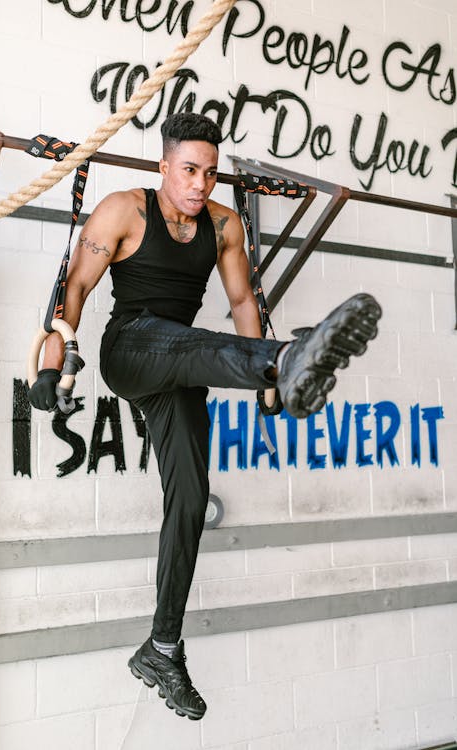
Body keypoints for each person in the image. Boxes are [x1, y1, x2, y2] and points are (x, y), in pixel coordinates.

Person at [28, 112, 381, 721]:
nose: (200, 184)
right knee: (187, 342)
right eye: (189, 170)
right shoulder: (123, 210)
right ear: (164, 166)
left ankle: (162, 646)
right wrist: (51, 367)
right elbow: (75, 292)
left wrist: (267, 391)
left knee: (190, 501)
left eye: (210, 173)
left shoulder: (222, 224)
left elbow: (243, 300)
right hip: (133, 348)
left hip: (182, 365)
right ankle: (291, 357)